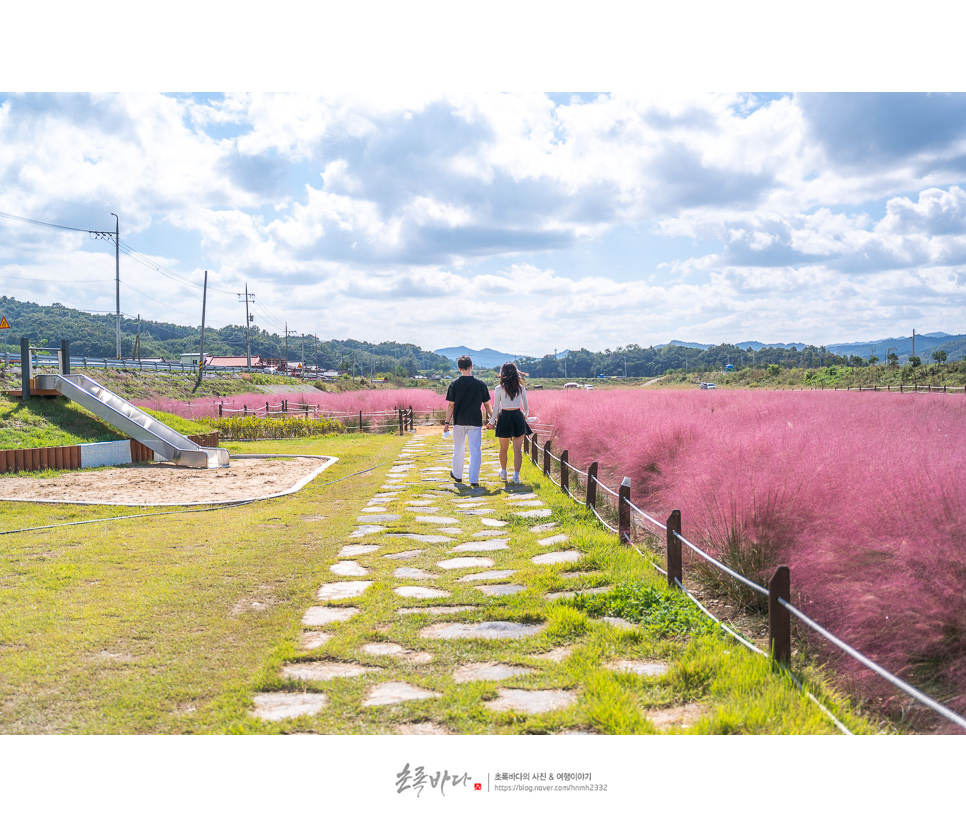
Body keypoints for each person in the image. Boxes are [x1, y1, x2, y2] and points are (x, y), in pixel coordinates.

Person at [443, 356, 491, 487]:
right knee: (475, 450)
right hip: (475, 421)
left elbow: (451, 406)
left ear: (459, 368)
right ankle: (473, 479)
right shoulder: (480, 384)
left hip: (459, 421)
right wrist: (493, 419)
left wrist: (447, 423)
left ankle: (457, 475)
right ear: (472, 366)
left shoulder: (454, 384)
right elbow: (487, 405)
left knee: (458, 449)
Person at [487, 361, 531, 484]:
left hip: (504, 417)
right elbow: (526, 407)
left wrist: (491, 422)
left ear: (503, 374)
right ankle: (516, 476)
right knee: (517, 450)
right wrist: (525, 416)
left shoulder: (498, 389)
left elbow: (496, 408)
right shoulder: (521, 388)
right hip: (517, 417)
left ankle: (504, 471)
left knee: (503, 448)